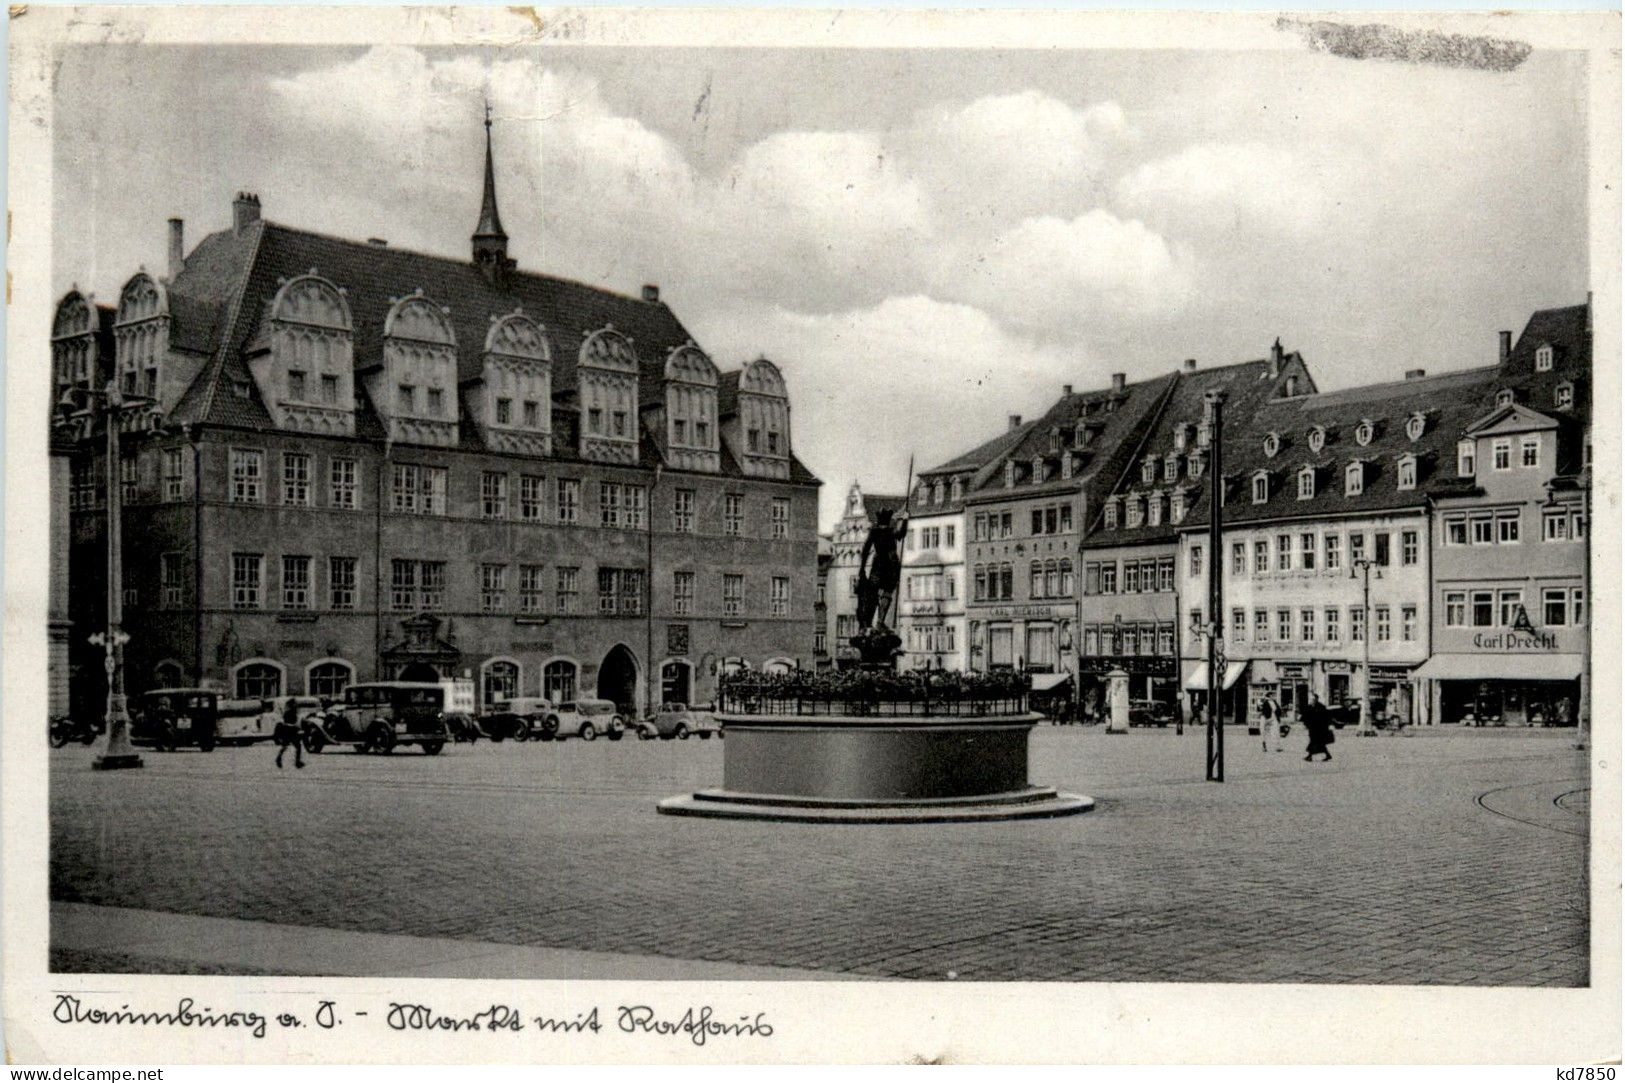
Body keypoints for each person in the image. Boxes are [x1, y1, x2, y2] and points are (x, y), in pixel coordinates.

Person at [856, 508, 909, 633]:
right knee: (887, 592)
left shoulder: (874, 532)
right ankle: (880, 621)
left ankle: (867, 624)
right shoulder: (890, 531)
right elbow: (901, 534)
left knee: (873, 593)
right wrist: (906, 520)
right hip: (891, 565)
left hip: (878, 565)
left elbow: (865, 551)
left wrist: (862, 568)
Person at [274, 697, 305, 769]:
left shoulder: (292, 712)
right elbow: (287, 723)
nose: (296, 705)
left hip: (291, 731)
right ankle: (296, 762)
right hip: (289, 731)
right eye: (295, 704)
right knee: (290, 746)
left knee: (294, 747)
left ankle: (280, 759)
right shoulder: (289, 713)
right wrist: (295, 727)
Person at [1304, 693, 1334, 762]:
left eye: (1313, 699)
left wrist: (1327, 726)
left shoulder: (1321, 707)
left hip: (1320, 729)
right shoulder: (1309, 707)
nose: (1312, 700)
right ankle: (1327, 755)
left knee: (1314, 742)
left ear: (1316, 699)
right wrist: (1306, 724)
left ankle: (1309, 756)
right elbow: (1306, 716)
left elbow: (1327, 717)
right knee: (1319, 743)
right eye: (1311, 699)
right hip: (1312, 728)